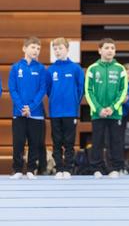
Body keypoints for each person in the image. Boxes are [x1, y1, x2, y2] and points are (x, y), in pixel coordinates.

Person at [84, 38, 128, 179]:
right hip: (98, 114)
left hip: (115, 113)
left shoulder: (120, 69)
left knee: (115, 141)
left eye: (112, 48)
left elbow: (123, 90)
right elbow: (88, 91)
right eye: (107, 48)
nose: (110, 50)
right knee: (97, 140)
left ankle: (115, 168)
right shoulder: (93, 68)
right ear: (100, 50)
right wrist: (98, 109)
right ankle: (96, 168)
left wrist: (113, 108)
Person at [8, 36, 47, 180]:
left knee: (34, 142)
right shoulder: (15, 67)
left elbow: (42, 90)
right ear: (24, 48)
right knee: (18, 142)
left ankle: (31, 169)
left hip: (35, 113)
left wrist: (30, 107)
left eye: (38, 48)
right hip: (18, 113)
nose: (36, 50)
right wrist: (21, 107)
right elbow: (13, 89)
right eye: (33, 47)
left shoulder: (42, 69)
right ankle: (17, 169)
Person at [46, 37, 84, 179]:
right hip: (55, 112)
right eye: (55, 48)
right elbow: (48, 90)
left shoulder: (75, 68)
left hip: (70, 111)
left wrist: (74, 103)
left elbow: (81, 89)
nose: (57, 51)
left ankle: (68, 168)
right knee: (56, 142)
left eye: (60, 48)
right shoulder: (51, 69)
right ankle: (59, 168)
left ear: (67, 49)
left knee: (69, 142)